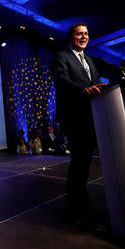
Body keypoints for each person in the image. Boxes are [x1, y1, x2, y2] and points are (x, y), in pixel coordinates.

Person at [51, 23, 107, 227]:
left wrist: (100, 87)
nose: (84, 37)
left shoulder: (90, 60)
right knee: (79, 163)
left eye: (86, 33)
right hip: (73, 117)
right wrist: (84, 90)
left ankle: (81, 207)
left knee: (83, 164)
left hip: (91, 117)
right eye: (79, 34)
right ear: (71, 37)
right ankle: (75, 211)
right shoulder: (61, 56)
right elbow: (62, 80)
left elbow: (97, 82)